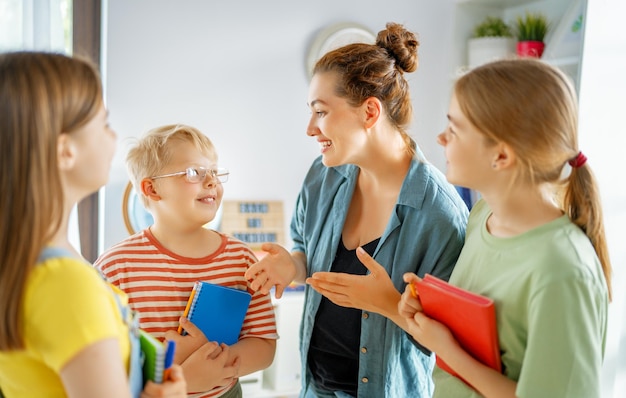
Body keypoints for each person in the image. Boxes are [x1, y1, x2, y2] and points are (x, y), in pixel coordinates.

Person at [244, 22, 469, 398]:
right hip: (313, 389)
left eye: (321, 112)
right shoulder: (322, 176)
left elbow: (451, 350)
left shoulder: (441, 215)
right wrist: (293, 265)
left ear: (369, 111)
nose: (310, 129)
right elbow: (305, 249)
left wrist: (387, 305)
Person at [397, 58, 611, 398]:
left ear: (501, 156)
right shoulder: (482, 216)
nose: (440, 138)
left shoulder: (563, 270)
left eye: (453, 129)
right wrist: (433, 314)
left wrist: (447, 349)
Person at [0, 51, 187, 397]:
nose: (113, 138)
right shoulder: (64, 284)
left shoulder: (24, 260)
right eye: (104, 124)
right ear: (65, 150)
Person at [94, 124, 278, 398]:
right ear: (152, 189)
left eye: (214, 172)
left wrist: (213, 361)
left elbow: (263, 346)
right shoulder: (115, 266)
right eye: (194, 172)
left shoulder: (241, 258)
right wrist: (183, 378)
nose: (212, 181)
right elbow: (102, 360)